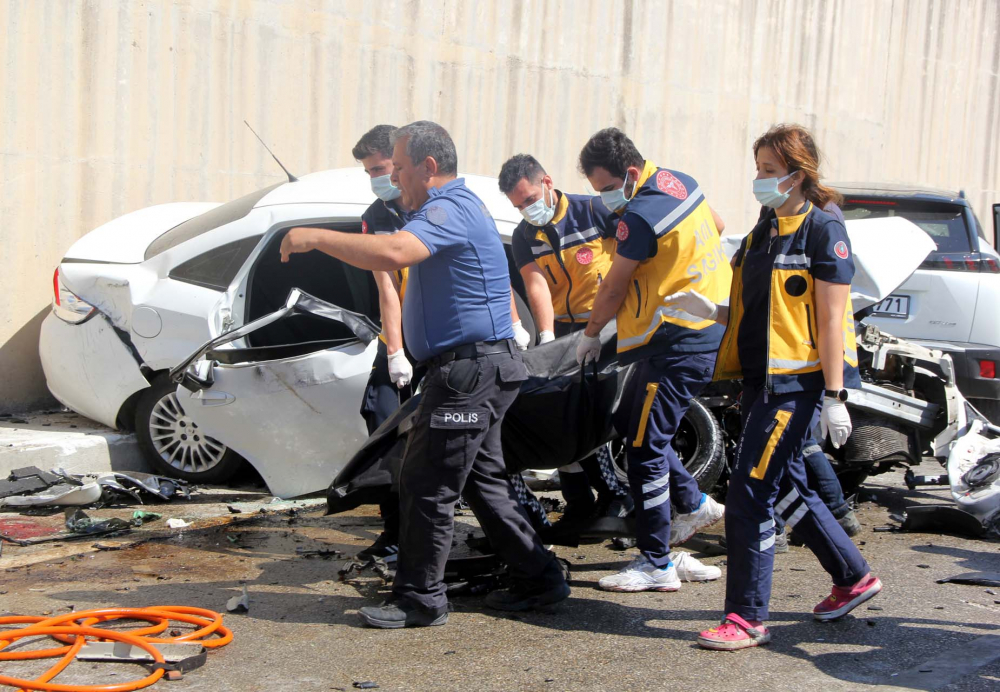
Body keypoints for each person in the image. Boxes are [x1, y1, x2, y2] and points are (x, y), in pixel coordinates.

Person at [280, 121, 569, 629]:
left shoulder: (449, 207)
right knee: (483, 483)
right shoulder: (451, 209)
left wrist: (315, 238)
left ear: (429, 167)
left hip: (469, 372)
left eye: (400, 169)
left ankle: (420, 599)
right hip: (475, 367)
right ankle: (539, 577)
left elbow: (394, 253)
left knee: (425, 482)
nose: (394, 180)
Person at [667, 124, 882, 650]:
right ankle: (852, 576)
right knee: (785, 487)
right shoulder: (766, 227)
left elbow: (832, 322)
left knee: (749, 494)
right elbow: (755, 309)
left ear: (798, 173)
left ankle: (745, 617)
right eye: (757, 169)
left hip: (799, 386)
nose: (759, 180)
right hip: (760, 381)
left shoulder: (823, 230)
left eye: (768, 171)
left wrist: (834, 397)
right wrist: (709, 311)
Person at [574, 128, 728, 592]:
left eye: (605, 187)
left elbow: (614, 286)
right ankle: (695, 504)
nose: (602, 197)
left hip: (676, 341)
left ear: (631, 174)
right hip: (699, 329)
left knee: (643, 449)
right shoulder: (681, 181)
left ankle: (655, 561)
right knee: (630, 423)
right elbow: (717, 225)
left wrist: (590, 334)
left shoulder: (638, 216)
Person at [498, 153, 633, 536]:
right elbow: (535, 283)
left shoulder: (593, 211)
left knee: (596, 417)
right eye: (517, 206)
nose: (527, 210)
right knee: (562, 417)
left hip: (607, 329)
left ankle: (615, 496)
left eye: (528, 200)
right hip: (563, 332)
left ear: (547, 182)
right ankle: (579, 504)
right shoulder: (526, 235)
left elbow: (633, 254)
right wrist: (545, 337)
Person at [352, 124, 414, 566]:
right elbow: (386, 286)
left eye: (380, 168)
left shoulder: (432, 205)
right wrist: (395, 350)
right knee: (384, 429)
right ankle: (394, 532)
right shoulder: (376, 217)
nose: (376, 177)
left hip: (439, 339)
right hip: (398, 339)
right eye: (369, 171)